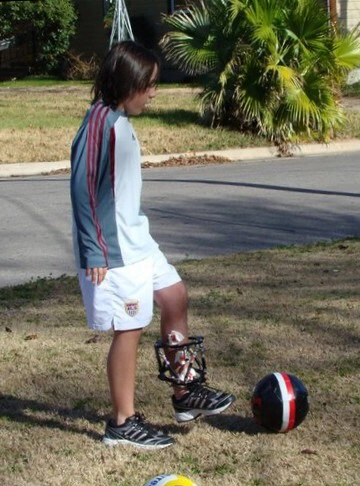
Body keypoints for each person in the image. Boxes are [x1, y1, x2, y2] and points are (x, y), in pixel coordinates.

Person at [70, 40, 235, 450]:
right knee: (129, 329)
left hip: (139, 241)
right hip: (115, 252)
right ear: (128, 81)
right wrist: (95, 250)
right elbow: (83, 190)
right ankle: (122, 423)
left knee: (175, 297)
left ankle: (185, 393)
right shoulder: (99, 124)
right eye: (149, 84)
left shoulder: (120, 120)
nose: (154, 92)